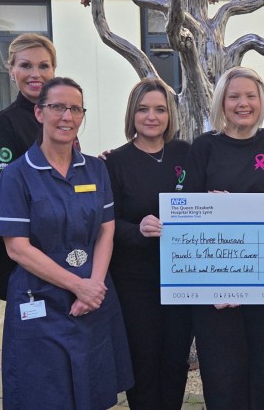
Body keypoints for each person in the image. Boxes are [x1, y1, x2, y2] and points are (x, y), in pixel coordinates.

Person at [0, 77, 133, 408]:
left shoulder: (96, 170)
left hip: (92, 298)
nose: (66, 116)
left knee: (91, 388)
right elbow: (17, 248)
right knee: (44, 393)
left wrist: (94, 285)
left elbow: (106, 231)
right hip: (39, 298)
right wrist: (78, 286)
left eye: (75, 109)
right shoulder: (16, 175)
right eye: (57, 107)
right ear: (39, 113)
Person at [183, 66, 264, 409]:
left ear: (261, 100)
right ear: (221, 102)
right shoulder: (203, 147)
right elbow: (187, 220)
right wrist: (217, 285)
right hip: (216, 286)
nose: (242, 103)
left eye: (250, 96)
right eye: (234, 97)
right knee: (223, 374)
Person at [105, 78, 192, 410]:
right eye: (143, 109)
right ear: (132, 114)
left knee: (175, 361)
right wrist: (136, 230)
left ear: (170, 114)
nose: (151, 116)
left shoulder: (186, 152)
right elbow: (107, 225)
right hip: (136, 280)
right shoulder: (115, 162)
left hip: (182, 278)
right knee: (142, 361)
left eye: (159, 109)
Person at [0, 33, 57, 176]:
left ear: (53, 70)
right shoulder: (4, 122)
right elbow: (3, 184)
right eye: (26, 65)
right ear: (11, 71)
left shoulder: (64, 114)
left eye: (44, 66)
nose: (35, 74)